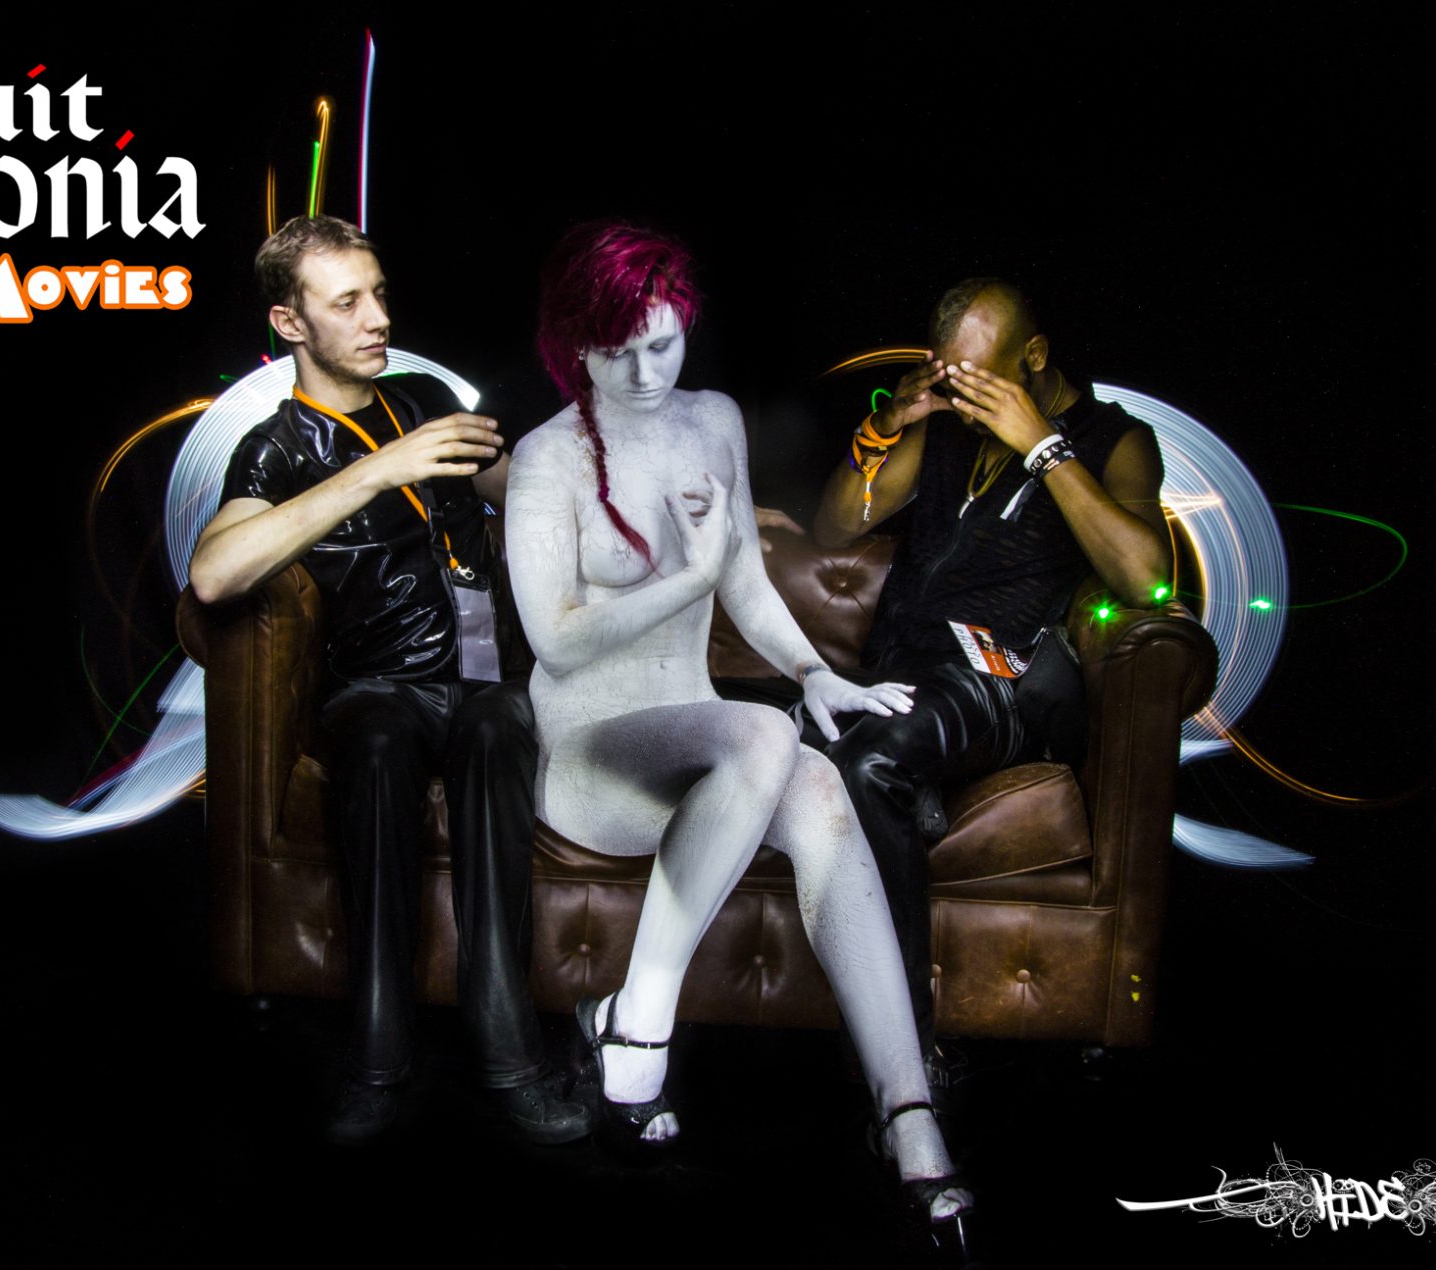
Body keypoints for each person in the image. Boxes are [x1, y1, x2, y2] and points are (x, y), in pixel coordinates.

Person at [506, 223, 973, 1237]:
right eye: (616, 350)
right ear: (574, 345)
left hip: (702, 748)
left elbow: (748, 583)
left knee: (817, 779)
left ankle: (907, 1115)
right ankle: (640, 1030)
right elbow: (557, 640)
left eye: (662, 344)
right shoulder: (546, 458)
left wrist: (814, 672)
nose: (644, 373)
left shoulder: (713, 418)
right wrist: (688, 575)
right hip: (592, 756)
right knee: (764, 738)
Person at [188, 215, 589, 1146]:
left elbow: (524, 494)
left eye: (378, 294)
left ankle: (511, 1058)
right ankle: (376, 1059)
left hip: (485, 682)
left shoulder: (422, 399)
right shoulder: (276, 448)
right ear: (291, 323)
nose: (378, 318)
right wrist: (377, 471)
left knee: (499, 726)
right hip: (379, 690)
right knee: (372, 742)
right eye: (348, 303)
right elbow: (212, 576)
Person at [809, 277, 1172, 1062]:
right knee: (765, 731)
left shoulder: (1114, 439)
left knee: (868, 764)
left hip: (993, 685)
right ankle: (917, 790)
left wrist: (1042, 447)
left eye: (980, 382)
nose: (965, 402)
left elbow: (1149, 580)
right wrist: (884, 425)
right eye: (952, 380)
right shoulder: (945, 428)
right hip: (896, 675)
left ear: (1033, 356)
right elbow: (834, 528)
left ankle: (907, 1056)